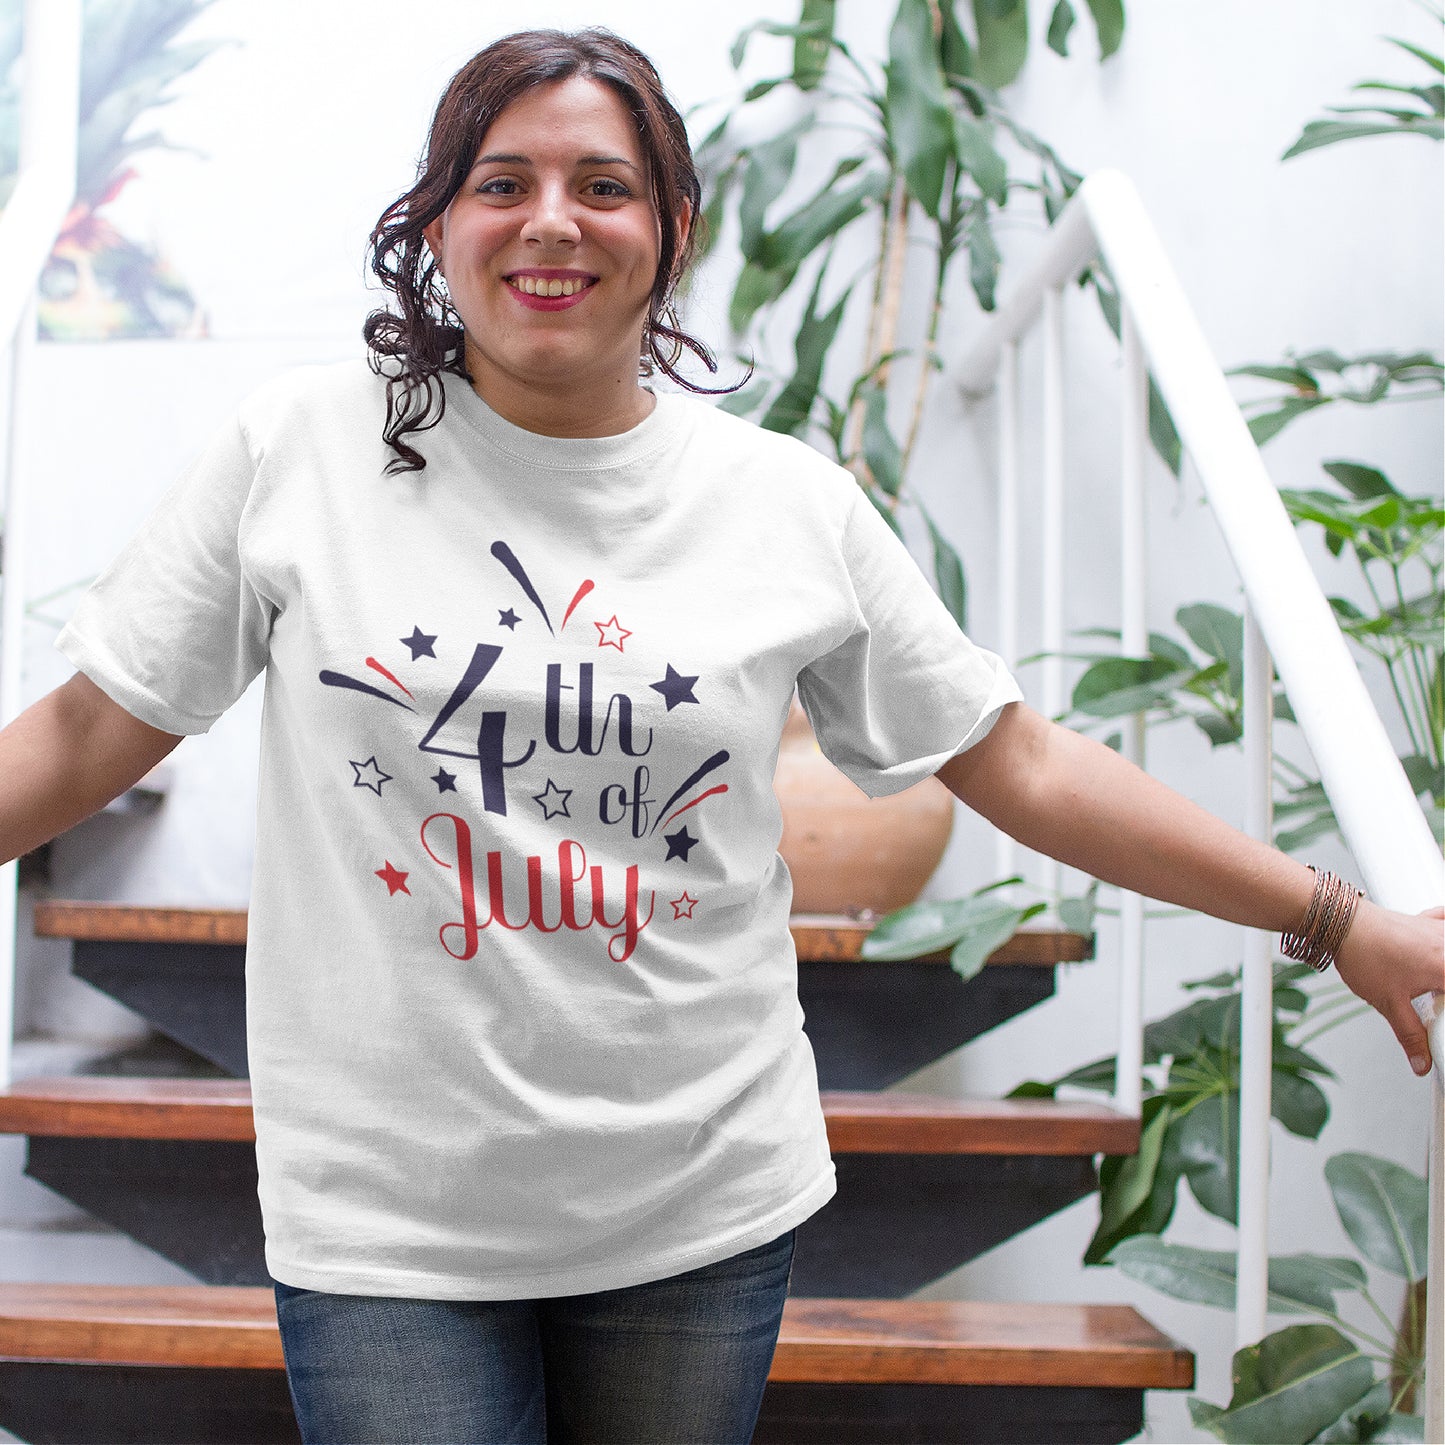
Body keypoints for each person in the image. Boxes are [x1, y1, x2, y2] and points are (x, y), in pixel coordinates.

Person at [0, 25, 1439, 1445]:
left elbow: (1024, 763)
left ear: (672, 226)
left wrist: (1333, 913)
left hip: (692, 1201)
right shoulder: (299, 450)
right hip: (388, 1220)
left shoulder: (782, 503)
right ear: (437, 224)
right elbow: (81, 735)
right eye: (499, 182)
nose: (550, 220)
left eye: (601, 185)